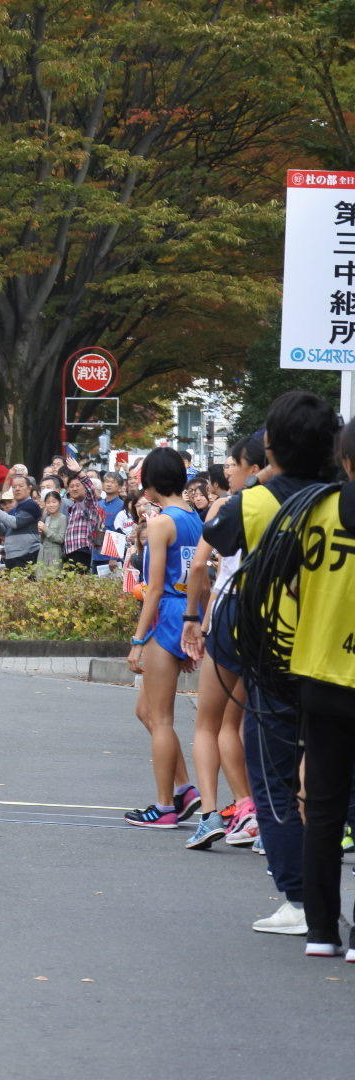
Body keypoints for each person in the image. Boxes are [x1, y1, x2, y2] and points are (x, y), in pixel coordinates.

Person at [208, 391, 343, 935]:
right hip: (332, 653)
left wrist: (253, 481)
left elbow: (218, 532)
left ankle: (297, 898)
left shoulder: (255, 501)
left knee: (274, 782)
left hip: (273, 657)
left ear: (269, 444)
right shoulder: (337, 498)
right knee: (337, 782)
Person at [234, 417, 355, 957]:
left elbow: (274, 582)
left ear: (345, 459)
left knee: (323, 806)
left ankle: (322, 931)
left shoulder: (313, 510)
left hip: (319, 673)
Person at [179, 436, 264, 851]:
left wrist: (194, 618)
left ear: (251, 465)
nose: (227, 470)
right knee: (255, 721)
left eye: (233, 462)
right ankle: (264, 814)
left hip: (231, 611)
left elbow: (200, 564)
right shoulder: (297, 504)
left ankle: (221, 811)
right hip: (272, 612)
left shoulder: (230, 506)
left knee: (211, 723)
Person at [123, 447, 203, 829]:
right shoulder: (194, 518)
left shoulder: (160, 523)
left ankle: (164, 806)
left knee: (161, 716)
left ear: (150, 483)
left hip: (166, 613)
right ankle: (185, 789)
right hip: (186, 611)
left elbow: (153, 588)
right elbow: (200, 575)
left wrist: (138, 640)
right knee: (147, 711)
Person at [0, 474, 41, 573]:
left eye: (21, 486)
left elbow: (15, 523)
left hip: (27, 556)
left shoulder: (31, 505)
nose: (17, 489)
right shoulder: (14, 509)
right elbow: (3, 532)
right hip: (12, 557)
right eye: (14, 487)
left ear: (29, 488)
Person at [61, 472, 101, 572]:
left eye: (78, 485)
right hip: (70, 551)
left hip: (82, 549)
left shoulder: (88, 503)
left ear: (84, 488)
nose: (74, 488)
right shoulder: (73, 507)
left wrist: (79, 471)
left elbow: (91, 489)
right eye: (71, 486)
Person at [93, 472, 126, 572]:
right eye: (106, 481)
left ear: (120, 487)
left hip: (111, 557)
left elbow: (121, 532)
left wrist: (114, 557)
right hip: (96, 553)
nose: (108, 484)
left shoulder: (122, 506)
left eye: (112, 482)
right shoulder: (99, 504)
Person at [37, 491, 65, 574]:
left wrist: (45, 529)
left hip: (55, 553)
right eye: (48, 502)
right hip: (43, 553)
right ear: (45, 504)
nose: (51, 505)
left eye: (54, 502)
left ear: (60, 503)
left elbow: (60, 539)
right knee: (41, 580)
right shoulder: (47, 518)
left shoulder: (62, 518)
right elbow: (42, 540)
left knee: (53, 579)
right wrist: (41, 533)